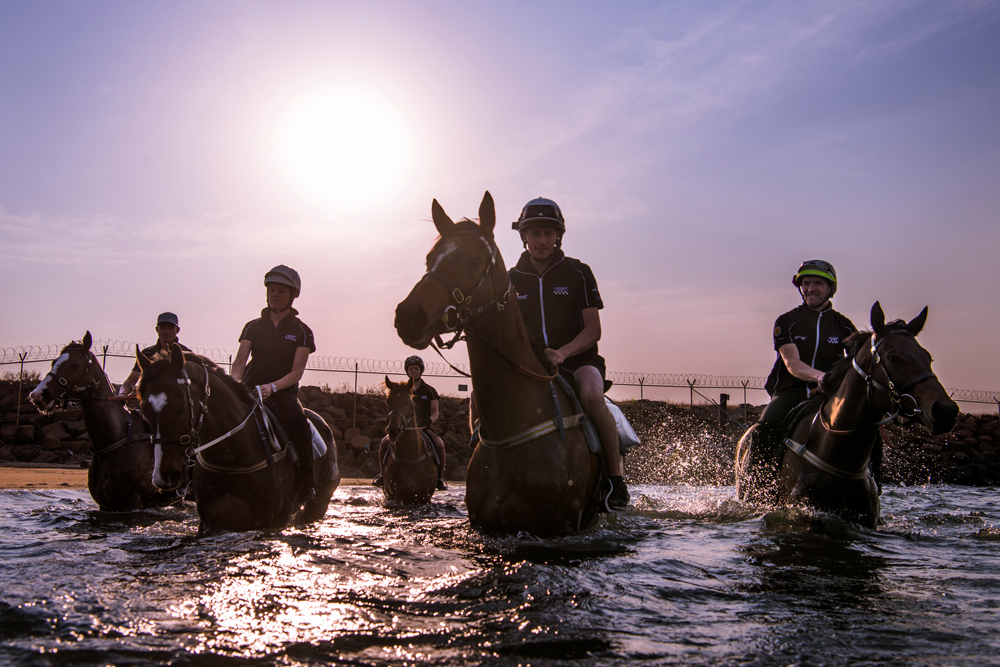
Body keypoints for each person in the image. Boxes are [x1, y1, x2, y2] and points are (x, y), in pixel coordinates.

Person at [507, 197, 629, 512]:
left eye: (549, 233)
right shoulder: (509, 279)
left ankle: (615, 480)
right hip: (530, 363)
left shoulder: (579, 272)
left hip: (578, 359)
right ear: (524, 237)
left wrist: (563, 352)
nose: (542, 241)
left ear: (558, 236)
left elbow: (593, 330)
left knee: (590, 395)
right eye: (535, 234)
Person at [750, 259, 859, 486]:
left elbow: (859, 367)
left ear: (831, 288)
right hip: (791, 392)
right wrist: (821, 377)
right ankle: (755, 486)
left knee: (869, 431)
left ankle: (873, 488)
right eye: (805, 283)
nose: (810, 288)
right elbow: (792, 364)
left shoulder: (846, 326)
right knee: (765, 426)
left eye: (817, 283)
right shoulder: (787, 321)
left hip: (831, 396)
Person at [230, 265, 318, 501]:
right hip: (249, 388)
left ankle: (307, 482)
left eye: (281, 290)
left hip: (282, 393)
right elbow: (240, 361)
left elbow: (297, 371)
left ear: (292, 295)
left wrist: (273, 387)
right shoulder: (253, 326)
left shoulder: (302, 331)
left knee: (299, 423)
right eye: (271, 290)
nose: (275, 294)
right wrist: (234, 383)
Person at [373, 355, 448, 491]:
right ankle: (382, 474)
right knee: (384, 442)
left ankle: (439, 478)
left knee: (439, 445)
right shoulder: (402, 390)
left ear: (421, 371)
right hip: (403, 427)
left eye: (416, 368)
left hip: (424, 427)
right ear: (407, 371)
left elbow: (435, 412)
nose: (413, 371)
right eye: (411, 368)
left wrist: (428, 420)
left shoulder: (430, 391)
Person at [119, 312, 191, 397]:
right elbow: (131, 381)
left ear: (177, 330)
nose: (166, 331)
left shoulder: (187, 354)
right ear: (157, 329)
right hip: (151, 403)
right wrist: (122, 394)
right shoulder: (147, 354)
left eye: (170, 328)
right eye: (163, 328)